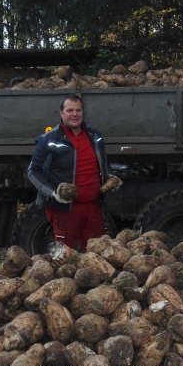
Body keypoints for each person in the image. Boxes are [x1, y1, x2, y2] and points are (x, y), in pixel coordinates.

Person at [28, 94, 121, 251]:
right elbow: (33, 171)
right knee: (65, 256)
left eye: (78, 110)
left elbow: (103, 163)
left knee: (96, 253)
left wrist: (110, 177)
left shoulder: (94, 136)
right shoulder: (48, 140)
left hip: (93, 208)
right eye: (70, 110)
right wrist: (52, 194)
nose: (75, 114)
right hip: (65, 210)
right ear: (61, 113)